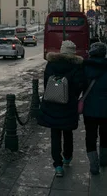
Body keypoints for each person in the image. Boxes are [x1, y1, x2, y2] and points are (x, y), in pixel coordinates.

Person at [37, 40, 86, 177]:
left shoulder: (51, 63)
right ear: (73, 52)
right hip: (69, 104)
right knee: (68, 132)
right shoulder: (77, 66)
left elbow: (46, 82)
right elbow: (80, 85)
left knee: (55, 134)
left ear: (61, 50)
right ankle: (67, 157)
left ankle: (57, 165)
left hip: (52, 103)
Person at [82, 42, 107, 175]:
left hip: (89, 108)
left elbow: (79, 86)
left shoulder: (85, 67)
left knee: (90, 135)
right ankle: (103, 158)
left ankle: (94, 164)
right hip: (106, 108)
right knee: (105, 133)